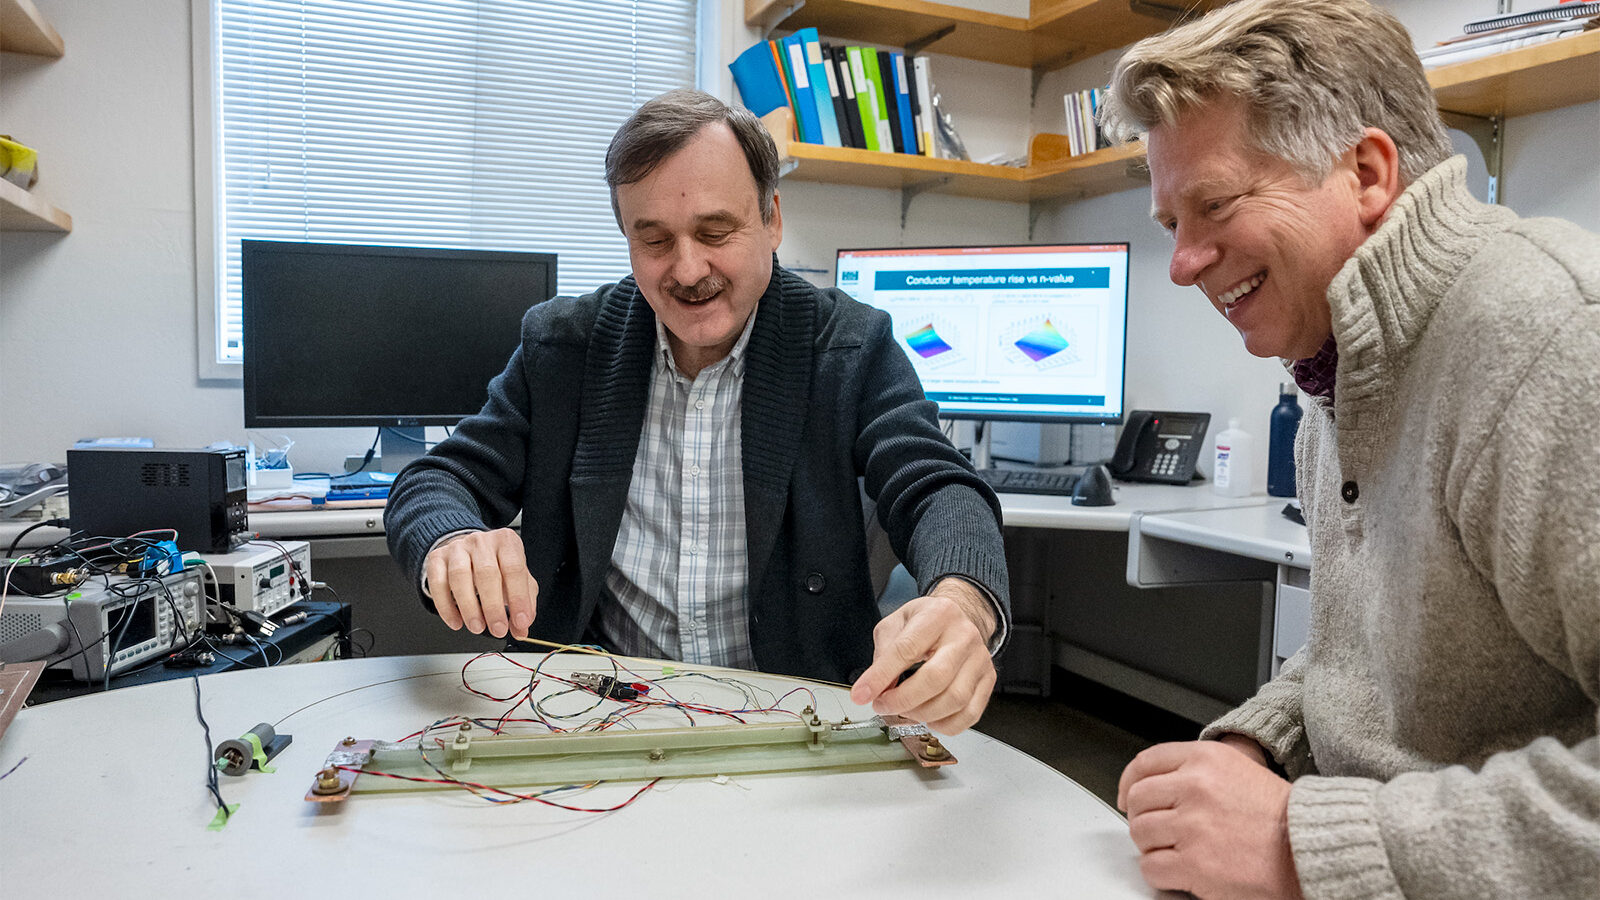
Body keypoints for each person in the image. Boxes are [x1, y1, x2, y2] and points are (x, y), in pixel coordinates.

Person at [1098, 0, 1600, 897]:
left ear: (1366, 172)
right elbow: (1367, 657)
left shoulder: (1550, 338)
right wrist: (1262, 740)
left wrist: (1305, 843)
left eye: (1213, 204)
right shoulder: (1338, 358)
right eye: (1171, 223)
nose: (1180, 263)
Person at [384, 89, 1010, 735]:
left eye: (715, 232)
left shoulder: (850, 345)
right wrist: (453, 542)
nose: (687, 270)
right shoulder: (564, 344)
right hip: (589, 711)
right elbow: (437, 480)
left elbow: (935, 484)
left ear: (771, 219)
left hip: (797, 714)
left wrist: (963, 601)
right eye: (653, 240)